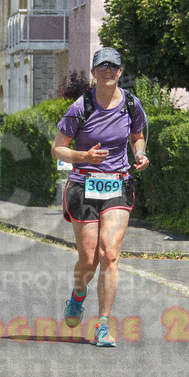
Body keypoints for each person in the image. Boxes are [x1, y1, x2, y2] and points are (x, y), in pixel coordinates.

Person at [51, 47, 150, 347]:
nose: (108, 71)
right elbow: (57, 149)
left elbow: (137, 136)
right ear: (93, 72)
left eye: (113, 66)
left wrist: (140, 153)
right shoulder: (80, 107)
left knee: (110, 253)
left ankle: (103, 326)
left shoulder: (131, 104)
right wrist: (85, 156)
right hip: (84, 185)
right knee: (89, 259)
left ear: (120, 72)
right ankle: (78, 294)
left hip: (118, 183)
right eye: (102, 66)